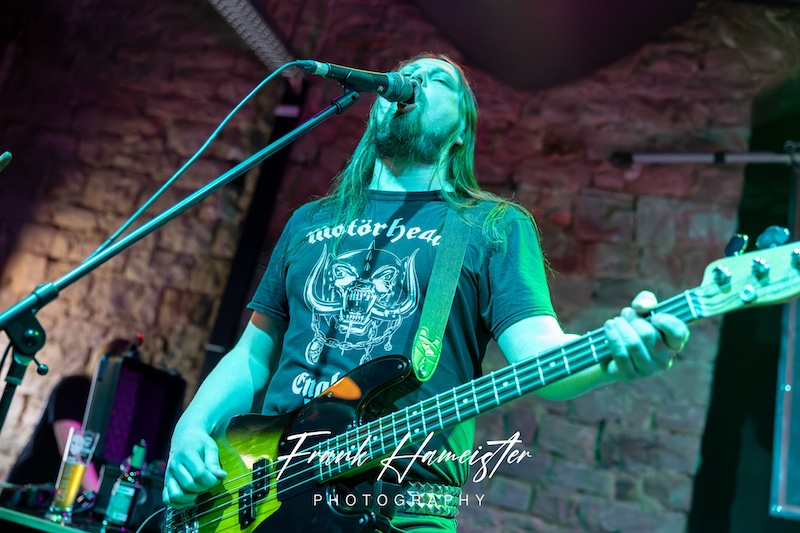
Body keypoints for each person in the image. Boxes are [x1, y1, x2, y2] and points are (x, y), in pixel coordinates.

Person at [162, 53, 690, 532]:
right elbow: (253, 354)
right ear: (374, 108)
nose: (415, 79)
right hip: (264, 491)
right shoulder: (310, 221)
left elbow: (540, 354)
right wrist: (191, 427)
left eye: (439, 80)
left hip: (399, 508)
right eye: (406, 72)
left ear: (461, 130)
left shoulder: (491, 226)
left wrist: (615, 357)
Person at [1, 337, 137, 507]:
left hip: (68, 502)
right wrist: (98, 499)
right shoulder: (75, 387)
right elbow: (74, 449)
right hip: (32, 493)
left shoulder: (116, 411)